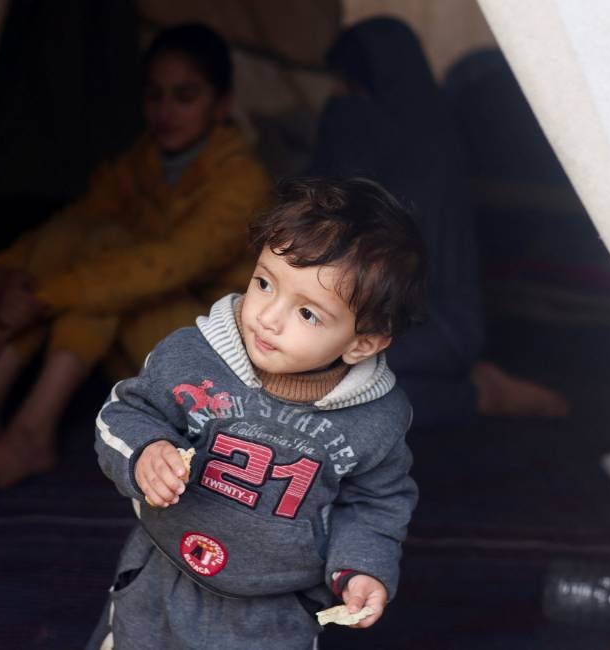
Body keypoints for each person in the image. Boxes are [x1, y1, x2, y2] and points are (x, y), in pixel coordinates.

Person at [0, 24, 272, 489]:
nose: (165, 112)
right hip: (146, 332)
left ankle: (24, 428)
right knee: (88, 239)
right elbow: (72, 223)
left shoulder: (242, 179)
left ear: (221, 104)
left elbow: (169, 264)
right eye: (154, 96)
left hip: (217, 360)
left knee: (106, 269)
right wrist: (4, 279)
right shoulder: (144, 161)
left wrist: (43, 298)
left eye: (185, 96)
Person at [87, 178, 424, 650]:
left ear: (362, 342)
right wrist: (146, 452)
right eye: (264, 283)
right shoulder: (191, 357)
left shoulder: (377, 420)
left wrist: (363, 568)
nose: (268, 316)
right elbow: (123, 414)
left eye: (308, 314)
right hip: (162, 576)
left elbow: (376, 504)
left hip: (275, 611)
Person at [309, 17, 569, 429]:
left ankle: (475, 395)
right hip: (385, 327)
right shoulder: (399, 136)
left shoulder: (417, 156)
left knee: (327, 394)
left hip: (436, 328)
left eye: (349, 88)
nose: (337, 99)